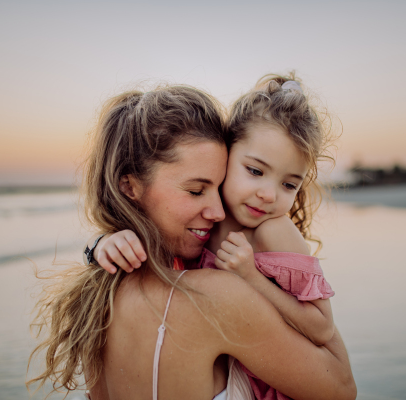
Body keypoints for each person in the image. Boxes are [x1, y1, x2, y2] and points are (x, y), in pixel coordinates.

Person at [28, 83, 356, 400]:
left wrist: (99, 244)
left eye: (218, 185)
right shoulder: (214, 296)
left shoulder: (97, 294)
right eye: (196, 191)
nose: (216, 212)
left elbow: (319, 325)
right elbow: (340, 389)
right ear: (130, 187)